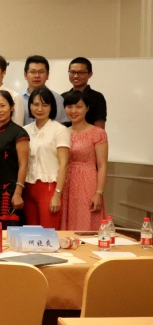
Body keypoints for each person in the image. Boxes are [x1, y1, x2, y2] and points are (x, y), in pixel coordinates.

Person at [60, 90, 108, 230]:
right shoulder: (62, 132)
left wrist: (99, 193)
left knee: (86, 219)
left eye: (78, 106)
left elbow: (102, 165)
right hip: (65, 182)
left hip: (87, 182)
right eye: (69, 106)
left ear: (87, 108)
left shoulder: (98, 133)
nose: (73, 111)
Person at [23, 87, 70, 229]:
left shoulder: (60, 130)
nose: (39, 109)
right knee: (31, 233)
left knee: (49, 232)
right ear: (30, 106)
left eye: (44, 105)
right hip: (28, 187)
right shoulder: (25, 130)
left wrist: (57, 194)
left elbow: (64, 164)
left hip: (49, 188)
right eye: (35, 104)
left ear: (51, 107)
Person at [0, 91, 30, 227]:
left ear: (12, 107)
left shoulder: (19, 133)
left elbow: (23, 165)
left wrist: (18, 193)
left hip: (10, 191)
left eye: (2, 106)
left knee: (8, 232)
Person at [22, 55, 66, 125]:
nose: (37, 76)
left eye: (41, 72)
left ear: (47, 75)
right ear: (25, 75)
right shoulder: (17, 98)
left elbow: (60, 126)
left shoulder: (57, 99)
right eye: (32, 72)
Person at [65, 57, 107, 129]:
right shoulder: (63, 97)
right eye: (72, 72)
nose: (76, 76)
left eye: (81, 73)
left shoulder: (97, 97)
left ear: (90, 74)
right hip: (66, 135)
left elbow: (99, 128)